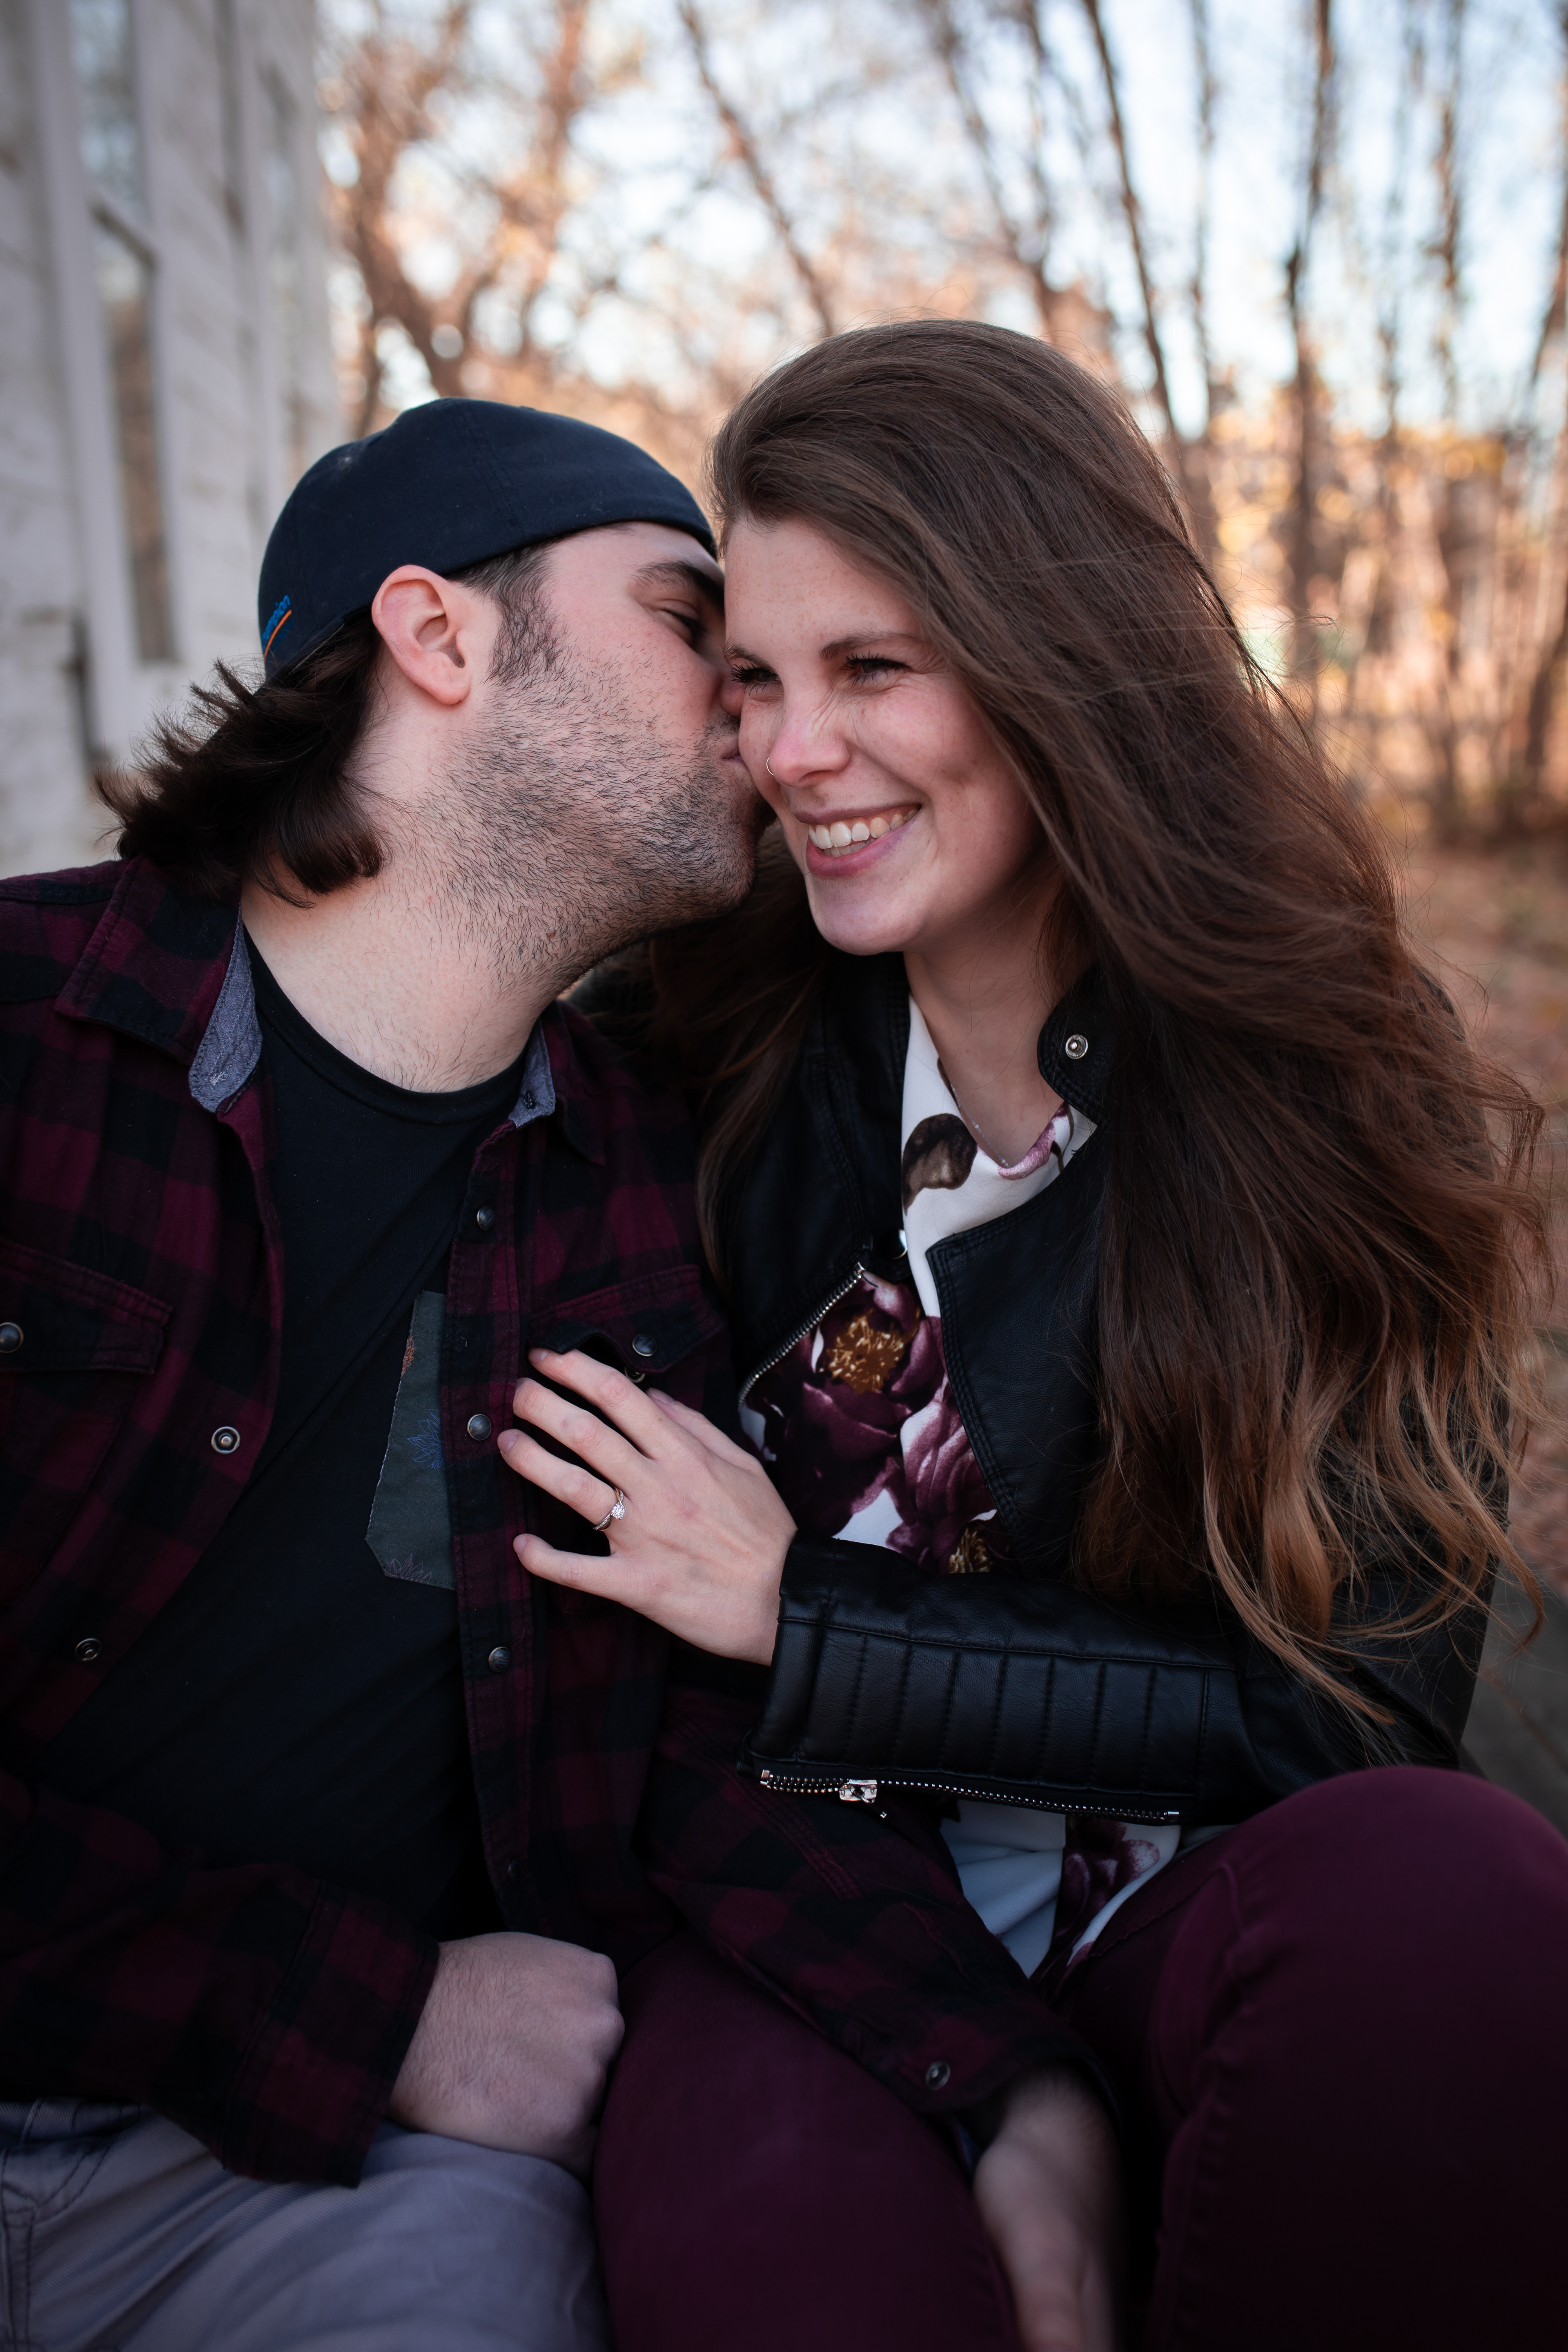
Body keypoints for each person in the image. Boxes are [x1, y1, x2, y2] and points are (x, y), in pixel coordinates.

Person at [501, 324, 1568, 2352]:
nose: (793, 751)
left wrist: (809, 1614)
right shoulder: (691, 1050)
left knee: (1459, 1906)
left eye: (872, 670)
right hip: (791, 1918)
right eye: (755, 682)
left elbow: (1344, 1713)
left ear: (1056, 652)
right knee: (777, 2267)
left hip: (1177, 1909)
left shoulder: (1329, 1097)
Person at [0, 396, 769, 2352]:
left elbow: (717, 1766)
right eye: (695, 620)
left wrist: (1006, 2086)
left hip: (305, 2193)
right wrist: (374, 2006)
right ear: (439, 636)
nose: (757, 702)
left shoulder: (654, 1191)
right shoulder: (27, 1047)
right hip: (344, 2044)